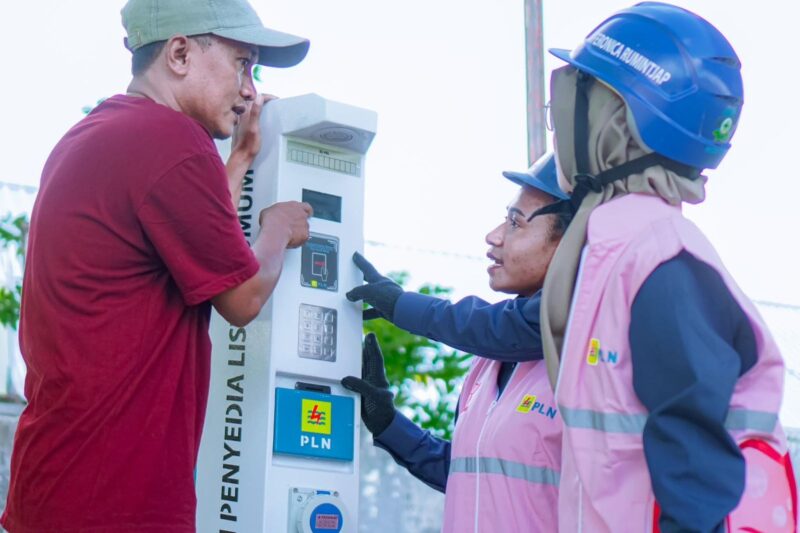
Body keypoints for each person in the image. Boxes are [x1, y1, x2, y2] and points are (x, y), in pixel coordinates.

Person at [2, 1, 314, 531]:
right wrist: (279, 227)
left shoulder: (101, 135)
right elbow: (242, 295)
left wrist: (238, 159)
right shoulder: (172, 141)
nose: (249, 89)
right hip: (117, 503)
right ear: (179, 52)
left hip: (55, 488)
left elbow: (192, 236)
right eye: (243, 63)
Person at [535, 3, 796, 532]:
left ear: (616, 125)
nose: (558, 122)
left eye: (570, 100)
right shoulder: (613, 244)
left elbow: (696, 478)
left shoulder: (658, 258)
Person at [343, 153, 571, 532]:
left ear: (570, 243)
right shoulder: (488, 362)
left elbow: (501, 326)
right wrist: (388, 424)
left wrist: (403, 305)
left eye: (515, 223)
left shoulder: (581, 347)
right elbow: (471, 477)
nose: (494, 236)